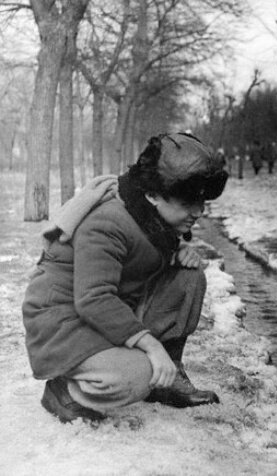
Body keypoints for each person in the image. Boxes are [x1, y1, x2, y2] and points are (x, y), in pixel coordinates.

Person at [22, 132, 229, 423]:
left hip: (103, 308)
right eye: (187, 203)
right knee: (138, 375)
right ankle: (65, 391)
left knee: (189, 277)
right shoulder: (107, 221)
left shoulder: (145, 210)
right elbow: (94, 298)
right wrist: (151, 346)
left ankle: (169, 374)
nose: (198, 212)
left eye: (200, 201)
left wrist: (178, 250)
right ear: (152, 195)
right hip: (64, 320)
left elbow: (139, 250)